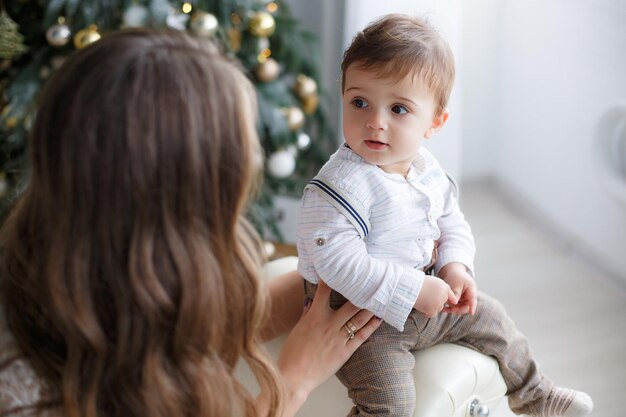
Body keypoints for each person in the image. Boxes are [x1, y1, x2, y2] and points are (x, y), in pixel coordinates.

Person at [0, 29, 383, 417]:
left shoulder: (82, 284)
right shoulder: (25, 392)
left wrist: (334, 275)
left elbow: (185, 336)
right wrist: (292, 382)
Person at [297, 14, 593, 417]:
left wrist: (456, 266)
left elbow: (451, 220)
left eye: (399, 109)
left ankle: (536, 395)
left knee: (494, 319)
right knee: (392, 404)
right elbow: (336, 262)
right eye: (359, 102)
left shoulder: (425, 169)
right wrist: (413, 290)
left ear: (434, 123)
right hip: (359, 322)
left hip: (428, 301)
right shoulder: (340, 186)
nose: (375, 121)